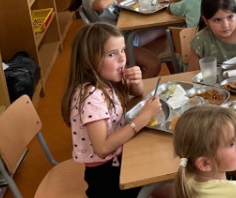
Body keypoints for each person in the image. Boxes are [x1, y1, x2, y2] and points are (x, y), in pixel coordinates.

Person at [60, 23, 163, 198]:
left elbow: (135, 94)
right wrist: (143, 118)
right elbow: (102, 147)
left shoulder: (105, 79)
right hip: (107, 176)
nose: (122, 58)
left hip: (119, 158)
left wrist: (136, 82)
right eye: (111, 54)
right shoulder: (90, 96)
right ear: (89, 61)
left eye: (122, 50)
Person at [68, 0, 162, 78]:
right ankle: (133, 89)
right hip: (115, 45)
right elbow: (101, 4)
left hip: (127, 34)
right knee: (154, 64)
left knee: (164, 29)